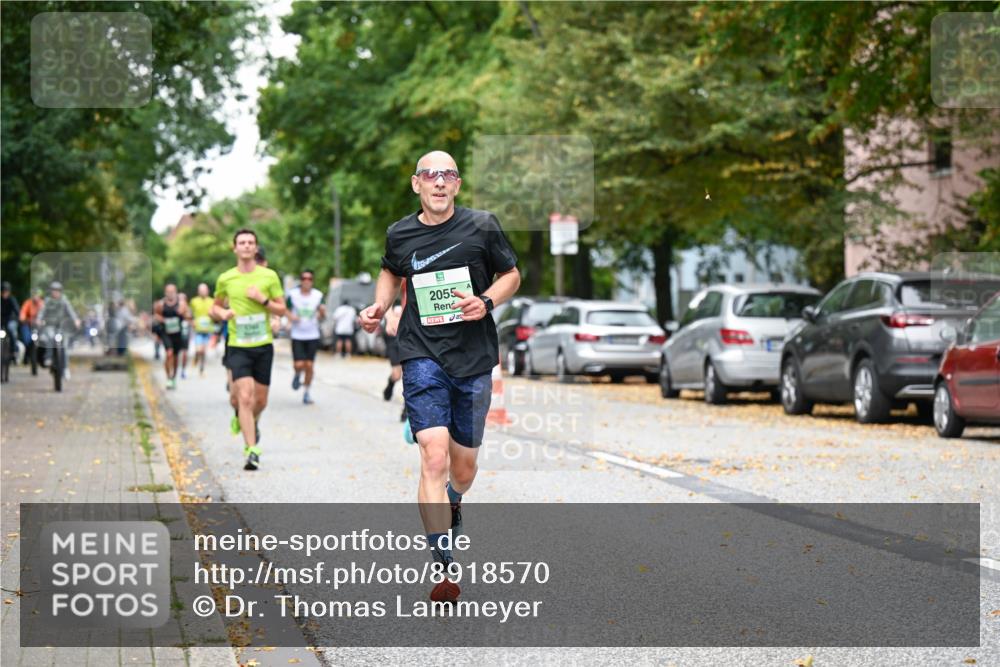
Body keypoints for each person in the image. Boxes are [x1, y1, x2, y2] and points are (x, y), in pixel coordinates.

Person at [359, 150, 520, 602]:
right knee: (432, 454)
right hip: (421, 353)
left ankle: (454, 497)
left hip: (473, 358)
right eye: (430, 175)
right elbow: (390, 270)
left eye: (448, 174)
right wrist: (380, 305)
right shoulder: (400, 233)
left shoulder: (482, 226)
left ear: (457, 184)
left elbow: (511, 275)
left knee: (463, 468)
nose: (439, 181)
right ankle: (443, 562)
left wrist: (485, 301)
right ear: (417, 184)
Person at [211, 229, 286, 471]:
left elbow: (282, 309)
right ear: (235, 248)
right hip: (238, 345)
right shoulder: (226, 278)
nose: (246, 246)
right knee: (244, 397)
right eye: (242, 242)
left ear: (255, 248)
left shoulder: (269, 276)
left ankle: (248, 423)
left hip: (263, 345)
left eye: (250, 242)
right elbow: (214, 307)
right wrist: (223, 313)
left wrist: (262, 299)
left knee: (260, 401)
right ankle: (251, 450)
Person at [286, 269, 326, 405]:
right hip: (297, 335)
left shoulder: (318, 295)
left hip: (312, 335)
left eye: (310, 279)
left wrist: (322, 313)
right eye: (304, 278)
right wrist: (291, 317)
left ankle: (306, 392)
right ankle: (297, 374)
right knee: (298, 364)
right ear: (301, 280)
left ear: (312, 281)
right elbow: (285, 309)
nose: (307, 281)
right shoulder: (293, 295)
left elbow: (322, 315)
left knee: (309, 365)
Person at [37, 281, 81, 378]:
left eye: (57, 291)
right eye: (54, 290)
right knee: (49, 337)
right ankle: (48, 357)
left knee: (64, 346)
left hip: (61, 327)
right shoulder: (47, 301)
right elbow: (42, 311)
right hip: (50, 326)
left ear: (60, 292)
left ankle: (65, 368)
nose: (55, 292)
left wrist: (76, 320)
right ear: (51, 291)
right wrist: (39, 319)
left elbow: (70, 311)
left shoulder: (64, 300)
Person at [153, 284, 189, 390]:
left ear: (176, 292)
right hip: (166, 332)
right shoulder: (161, 304)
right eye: (168, 292)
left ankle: (173, 377)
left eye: (172, 291)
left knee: (176, 357)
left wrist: (183, 313)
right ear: (165, 292)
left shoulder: (181, 303)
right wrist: (163, 320)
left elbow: (188, 315)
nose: (170, 293)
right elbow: (156, 315)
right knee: (169, 353)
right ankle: (168, 377)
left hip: (178, 333)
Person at [382, 298, 406, 421]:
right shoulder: (392, 316)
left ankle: (406, 410)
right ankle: (389, 387)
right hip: (394, 346)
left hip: (408, 346)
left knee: (410, 378)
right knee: (397, 375)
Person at [189, 284, 215, 375]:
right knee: (198, 350)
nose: (203, 292)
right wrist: (191, 321)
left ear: (208, 291)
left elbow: (215, 314)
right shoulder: (194, 301)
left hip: (208, 329)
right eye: (201, 290)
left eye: (204, 290)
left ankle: (201, 369)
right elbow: (190, 313)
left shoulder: (212, 301)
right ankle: (196, 358)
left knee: (203, 351)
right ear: (198, 291)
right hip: (198, 330)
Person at [19, 289, 43, 364]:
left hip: (38, 326)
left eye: (37, 295)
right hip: (28, 324)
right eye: (34, 295)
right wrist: (23, 318)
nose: (35, 297)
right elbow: (22, 313)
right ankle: (27, 355)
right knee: (26, 340)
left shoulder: (42, 304)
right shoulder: (28, 303)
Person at [178, 293, 192, 379]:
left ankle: (183, 370)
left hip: (185, 332)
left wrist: (184, 312)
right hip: (175, 333)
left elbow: (190, 319)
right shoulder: (174, 307)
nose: (181, 300)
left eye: (183, 299)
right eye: (179, 299)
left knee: (185, 352)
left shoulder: (188, 309)